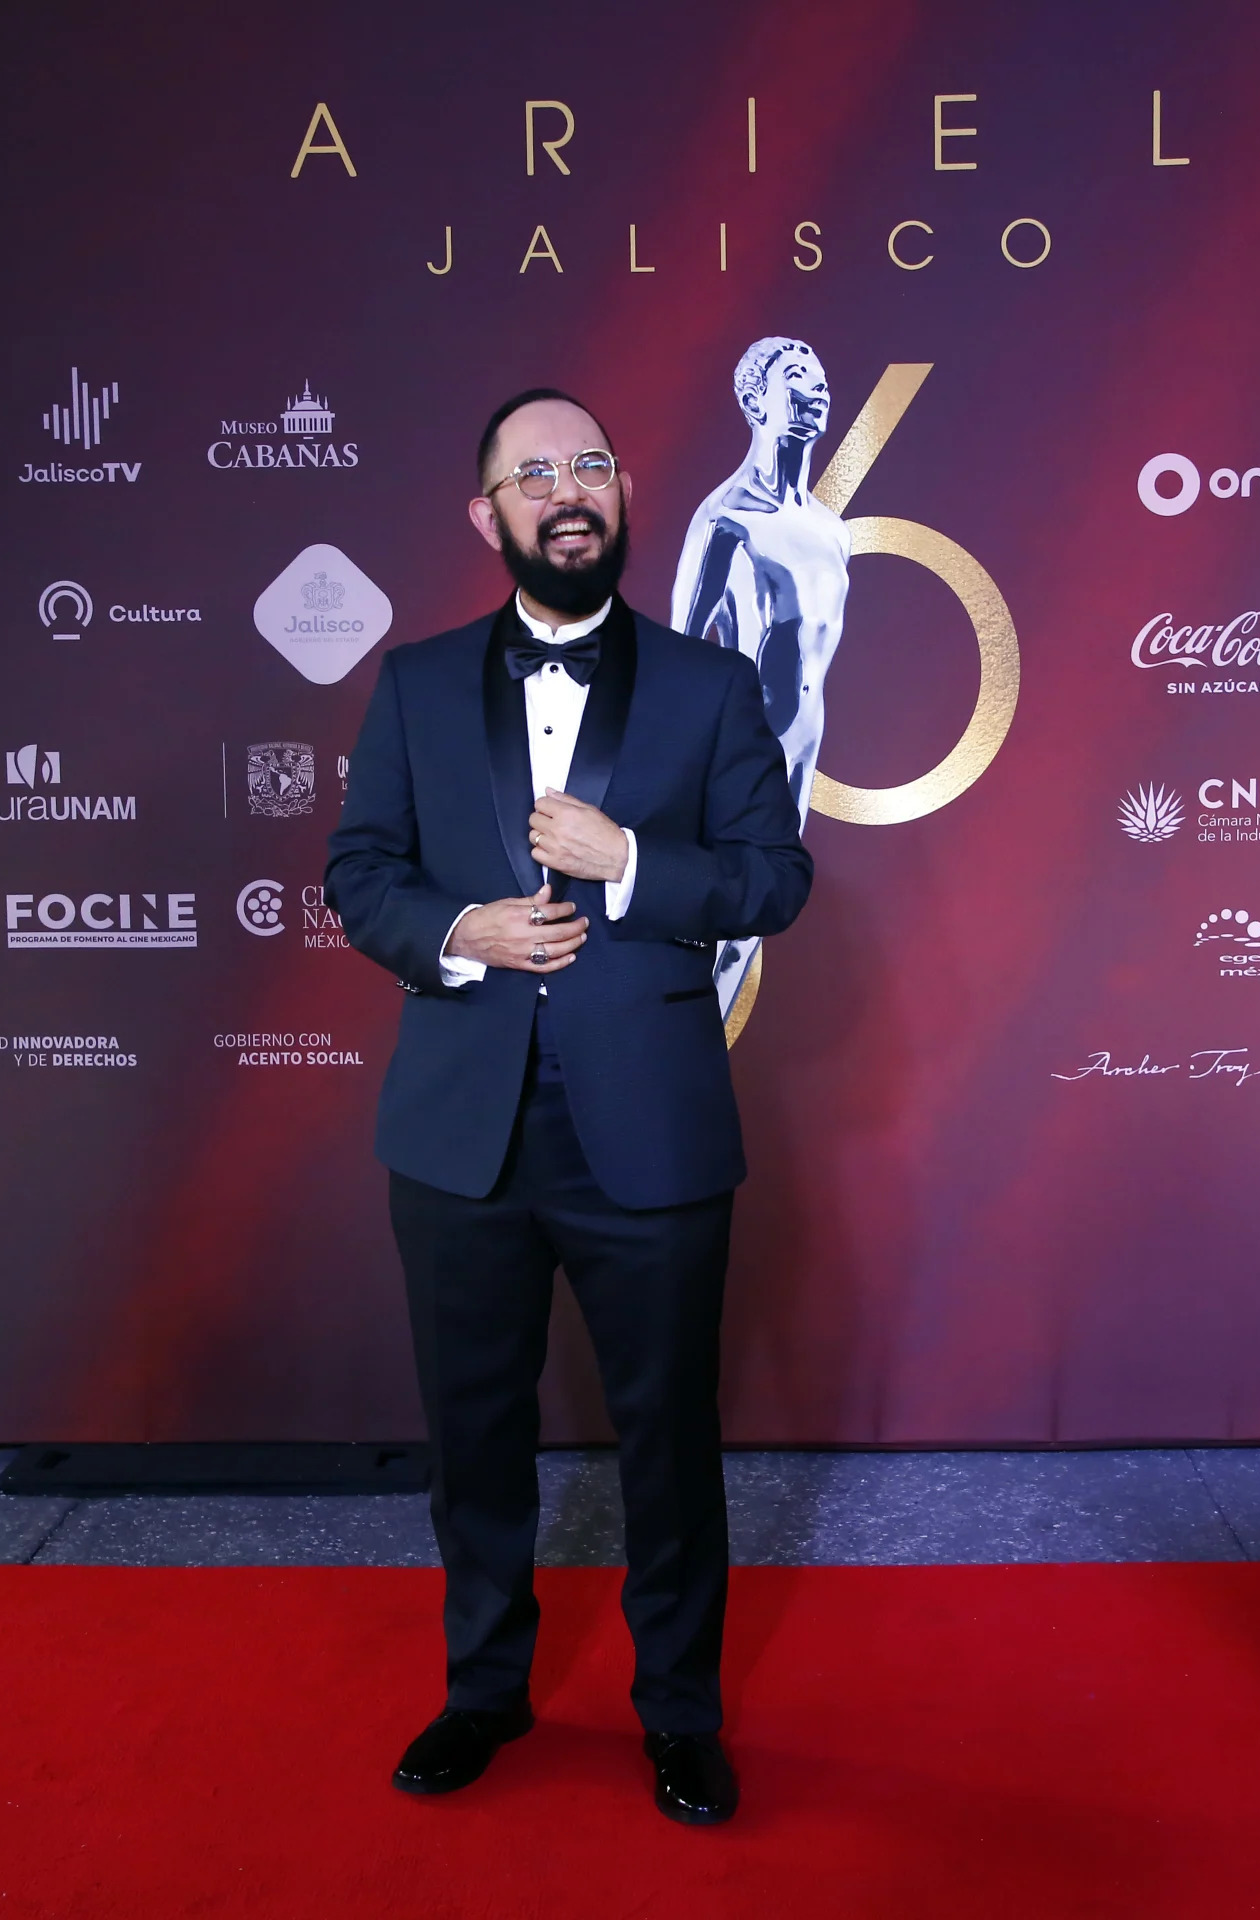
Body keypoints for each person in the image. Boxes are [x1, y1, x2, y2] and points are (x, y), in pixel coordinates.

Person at [325, 388, 813, 1826]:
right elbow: (359, 874)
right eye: (533, 474)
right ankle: (484, 1692)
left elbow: (773, 878)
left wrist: (634, 862)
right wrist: (461, 930)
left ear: (622, 495)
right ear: (489, 518)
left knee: (669, 1438)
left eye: (590, 462)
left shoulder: (711, 687)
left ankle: (678, 1713)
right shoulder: (412, 685)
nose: (568, 489)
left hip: (649, 1131)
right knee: (471, 1432)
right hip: (461, 1131)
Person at [670, 338, 852, 1017]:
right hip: (739, 760)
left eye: (822, 377)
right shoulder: (726, 520)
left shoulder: (833, 531)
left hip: (803, 748)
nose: (816, 389)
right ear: (754, 401)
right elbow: (679, 658)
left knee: (749, 931)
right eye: (797, 376)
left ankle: (694, 1073)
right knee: (715, 926)